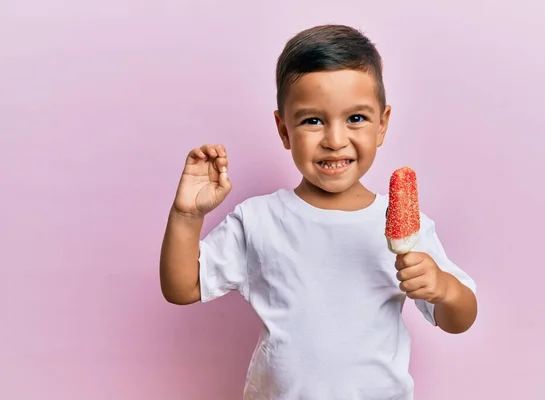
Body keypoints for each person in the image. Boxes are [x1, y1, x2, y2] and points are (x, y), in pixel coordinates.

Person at [159, 24, 477, 400]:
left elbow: (460, 318)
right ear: (283, 130)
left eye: (356, 118)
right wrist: (187, 215)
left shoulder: (407, 227)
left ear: (382, 124)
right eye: (312, 120)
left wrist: (443, 288)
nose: (334, 140)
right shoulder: (259, 220)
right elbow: (183, 288)